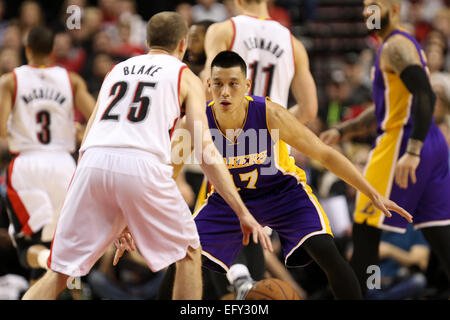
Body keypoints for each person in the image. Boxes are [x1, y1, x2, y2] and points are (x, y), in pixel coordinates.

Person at [21, 12, 271, 300]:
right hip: (141, 163)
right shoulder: (185, 76)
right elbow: (205, 151)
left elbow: (88, 137)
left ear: (147, 41)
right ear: (183, 44)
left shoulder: (116, 70)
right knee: (189, 253)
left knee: (59, 272)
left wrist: (115, 208)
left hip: (92, 162)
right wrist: (242, 211)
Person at [169, 50, 412, 300]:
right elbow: (167, 173)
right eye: (218, 84)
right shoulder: (194, 123)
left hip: (281, 192)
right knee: (183, 253)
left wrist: (371, 192)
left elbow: (324, 154)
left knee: (325, 250)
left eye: (233, 84)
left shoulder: (269, 114)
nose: (225, 92)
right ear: (208, 85)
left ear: (247, 85)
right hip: (229, 200)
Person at [320, 0, 450, 296]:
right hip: (430, 142)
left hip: (403, 144)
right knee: (439, 232)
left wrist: (412, 150)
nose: (368, 12)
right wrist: (343, 130)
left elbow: (425, 94)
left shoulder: (395, 46)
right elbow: (383, 109)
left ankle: (364, 294)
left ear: (394, 9)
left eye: (375, 6)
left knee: (366, 231)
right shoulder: (395, 46)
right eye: (366, 6)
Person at [0, 25, 95, 286]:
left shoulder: (10, 81)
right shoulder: (71, 80)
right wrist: (79, 133)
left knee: (26, 248)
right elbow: (98, 119)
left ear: (26, 48)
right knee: (58, 241)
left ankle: (49, 264)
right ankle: (60, 273)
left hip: (27, 165)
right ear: (53, 51)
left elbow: (0, 131)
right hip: (64, 165)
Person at [202, 0, 317, 123]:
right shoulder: (294, 43)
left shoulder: (223, 31)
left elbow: (209, 90)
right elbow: (309, 110)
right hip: (273, 138)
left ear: (238, 1)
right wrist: (273, 123)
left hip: (231, 134)